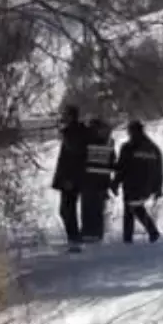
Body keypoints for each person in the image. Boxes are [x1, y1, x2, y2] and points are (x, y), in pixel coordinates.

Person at [112, 120, 163, 243]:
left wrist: (115, 182)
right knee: (135, 207)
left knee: (131, 209)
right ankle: (147, 233)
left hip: (132, 183)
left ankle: (134, 236)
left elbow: (122, 167)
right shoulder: (154, 148)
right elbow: (159, 169)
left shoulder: (128, 147)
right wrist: (158, 188)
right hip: (148, 185)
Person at [50, 105, 88, 251]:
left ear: (71, 116)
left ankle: (74, 239)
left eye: (65, 115)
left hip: (71, 178)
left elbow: (74, 154)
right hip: (72, 177)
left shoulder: (74, 133)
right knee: (67, 210)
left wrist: (69, 178)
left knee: (67, 210)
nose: (62, 118)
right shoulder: (76, 131)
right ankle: (74, 237)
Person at [80, 118, 116, 245]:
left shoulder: (86, 140)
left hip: (88, 178)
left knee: (88, 207)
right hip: (102, 180)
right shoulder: (109, 142)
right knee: (98, 208)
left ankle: (88, 233)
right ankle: (97, 233)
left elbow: (80, 158)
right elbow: (112, 161)